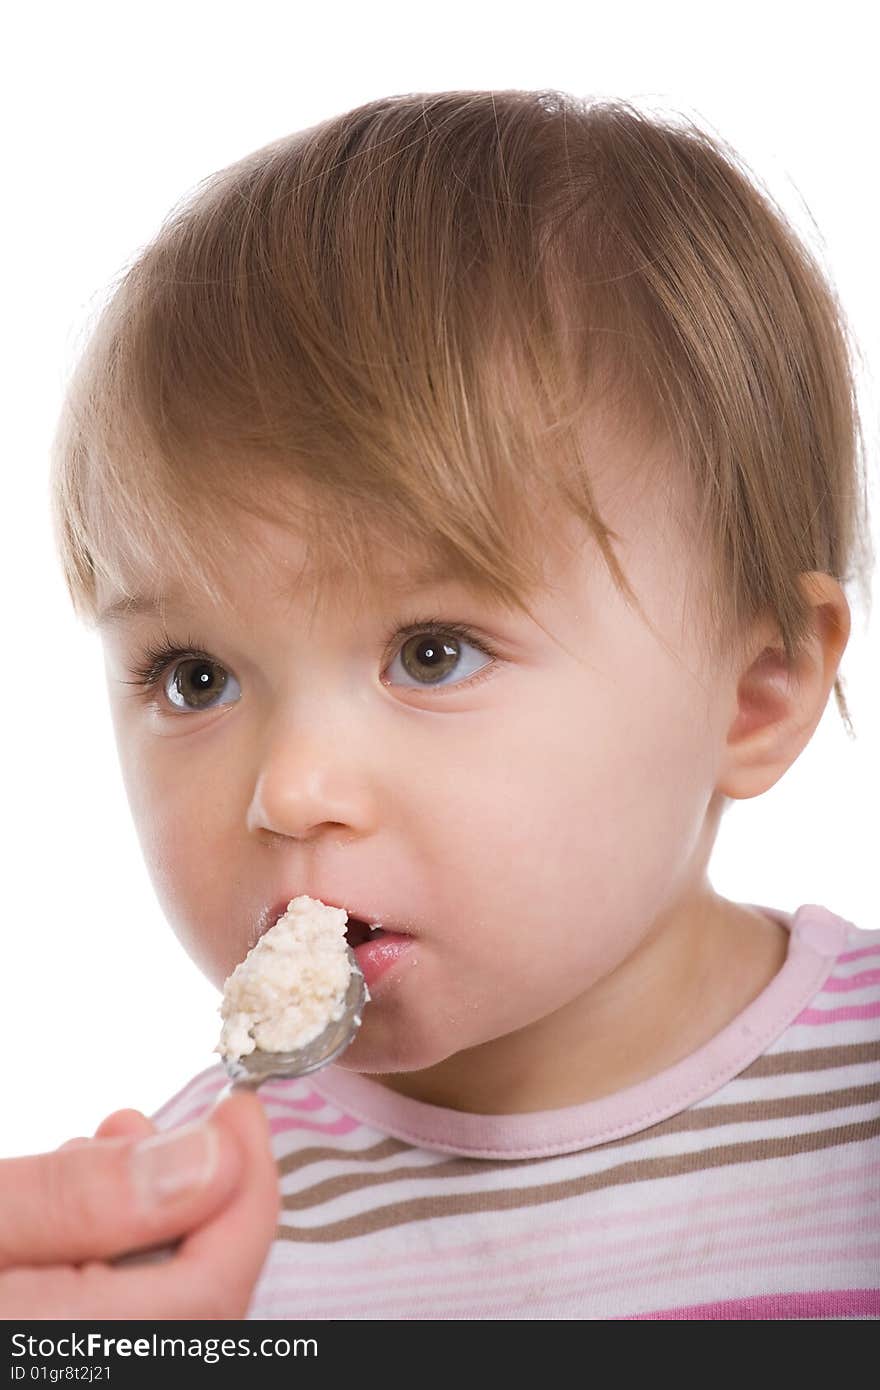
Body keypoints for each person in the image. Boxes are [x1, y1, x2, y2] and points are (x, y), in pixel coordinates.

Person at [9, 88, 877, 1319]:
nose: (290, 786)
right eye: (195, 676)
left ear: (755, 693)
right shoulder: (194, 1233)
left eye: (431, 654)